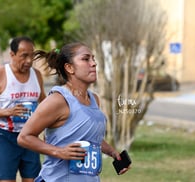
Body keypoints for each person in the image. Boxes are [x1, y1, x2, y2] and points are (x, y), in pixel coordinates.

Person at [17, 42, 130, 182]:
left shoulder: (94, 99)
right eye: (86, 59)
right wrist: (59, 152)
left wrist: (112, 152)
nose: (93, 63)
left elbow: (88, 137)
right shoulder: (58, 100)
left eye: (93, 59)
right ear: (69, 67)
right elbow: (24, 137)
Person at [0, 36, 46, 182]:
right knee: (7, 180)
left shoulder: (36, 75)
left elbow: (43, 102)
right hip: (5, 136)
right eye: (24, 56)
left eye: (32, 56)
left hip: (30, 135)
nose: (29, 61)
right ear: (12, 54)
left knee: (32, 179)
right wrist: (9, 112)